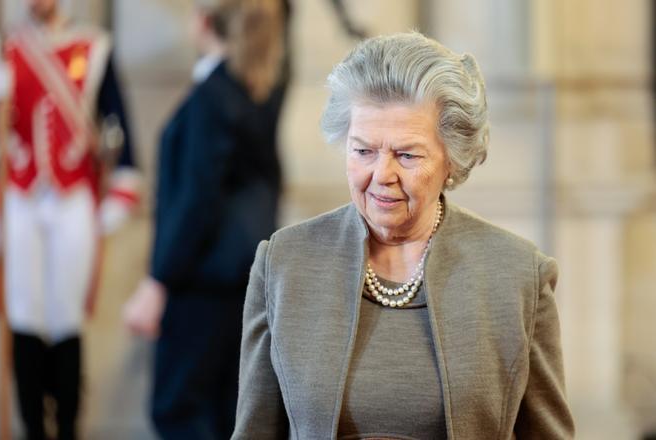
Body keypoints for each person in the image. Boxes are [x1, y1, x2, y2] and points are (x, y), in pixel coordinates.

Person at [233, 32, 576, 439]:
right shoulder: (284, 264)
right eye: (363, 151)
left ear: (453, 158)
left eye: (407, 155)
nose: (382, 175)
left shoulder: (518, 274)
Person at [122, 0, 284, 438]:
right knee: (225, 412)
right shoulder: (252, 89)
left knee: (177, 410)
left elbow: (196, 200)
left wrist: (158, 281)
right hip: (238, 280)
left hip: (201, 282)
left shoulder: (212, 96)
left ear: (204, 23)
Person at [0, 0, 139, 438]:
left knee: (65, 316)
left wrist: (118, 193)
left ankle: (70, 425)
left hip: (72, 197)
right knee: (24, 314)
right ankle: (32, 426)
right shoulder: (9, 50)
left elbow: (119, 129)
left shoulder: (93, 48)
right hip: (21, 198)